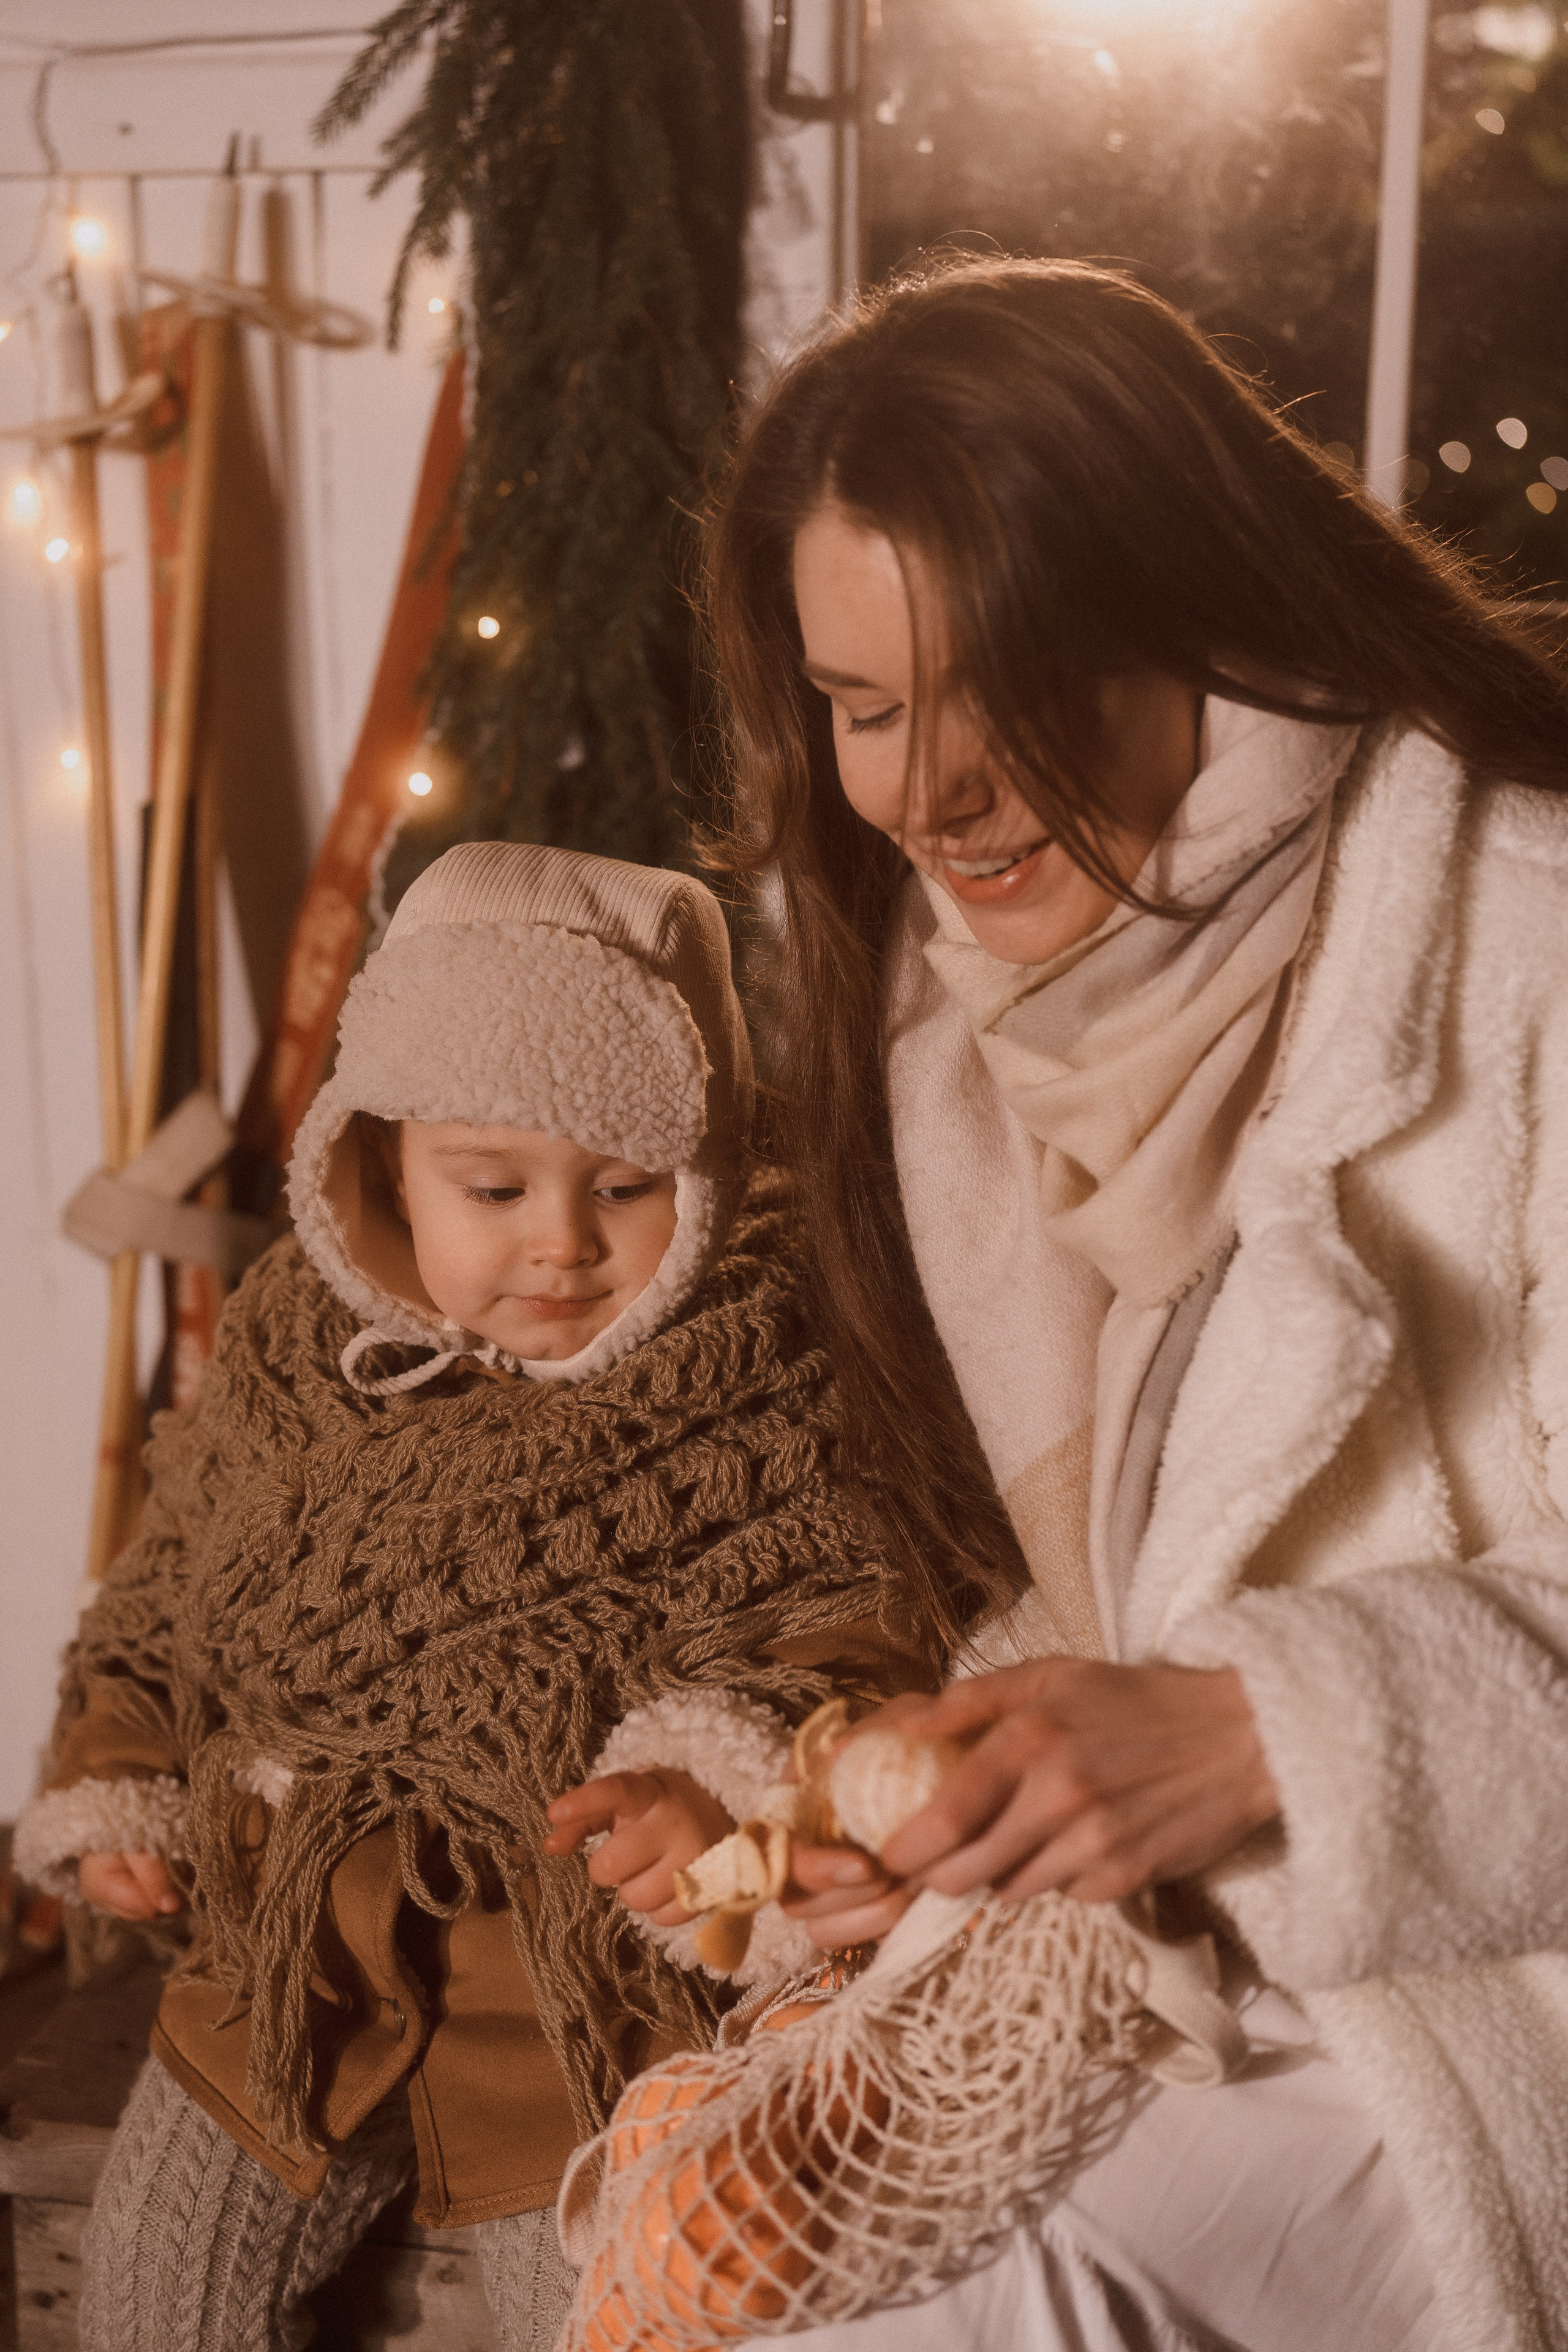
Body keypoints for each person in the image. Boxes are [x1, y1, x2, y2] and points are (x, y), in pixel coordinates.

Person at [692, 257, 1568, 2348]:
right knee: (710, 2241)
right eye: (864, 701)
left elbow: (1231, 1656)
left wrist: (1269, 1732)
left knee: (957, 2306)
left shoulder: (1529, 938)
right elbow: (1156, 1568)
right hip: (1211, 1954)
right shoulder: (967, 1025)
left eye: (1002, 675)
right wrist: (969, 1784)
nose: (926, 791)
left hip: (1497, 1983)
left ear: (1197, 603)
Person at [13, 842, 930, 2352]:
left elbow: (847, 1622)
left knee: (603, 2311)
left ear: (701, 1179)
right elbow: (170, 1576)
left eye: (625, 1188)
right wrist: (121, 1777)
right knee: (147, 2296)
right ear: (375, 1166)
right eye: (492, 1186)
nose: (561, 1240)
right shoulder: (291, 1364)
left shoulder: (762, 1388)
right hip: (288, 1974)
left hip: (572, 2011)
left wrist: (711, 1794)